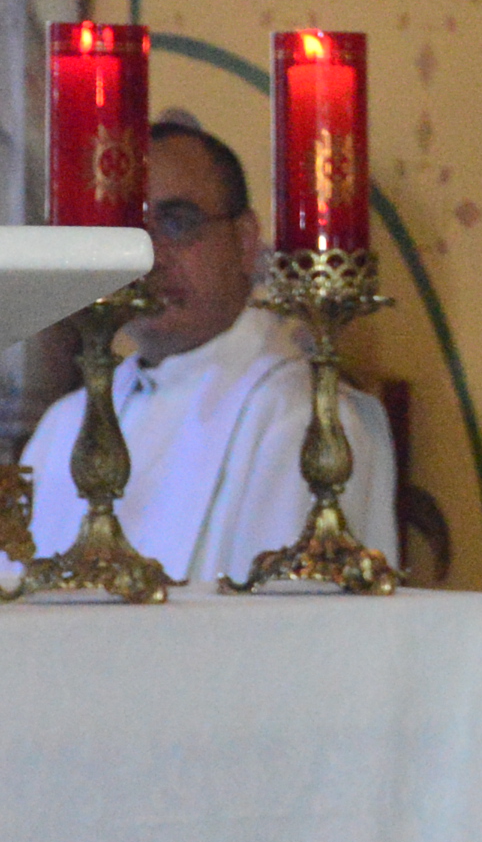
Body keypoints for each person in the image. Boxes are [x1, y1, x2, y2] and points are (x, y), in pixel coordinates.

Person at [22, 115, 396, 586]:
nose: (151, 257)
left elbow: (294, 619)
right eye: (130, 230)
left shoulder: (301, 421)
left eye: (178, 223)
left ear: (245, 241)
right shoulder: (64, 426)